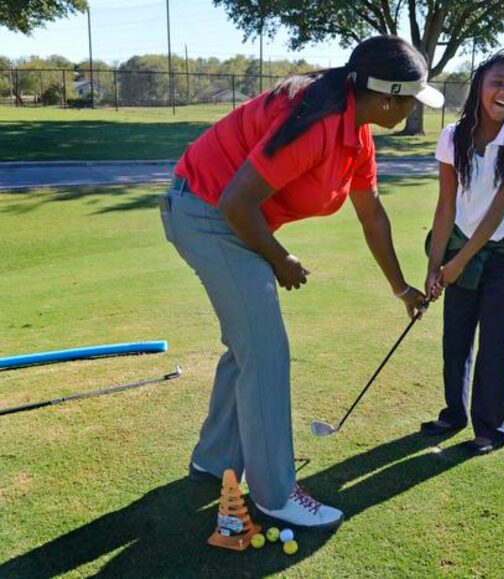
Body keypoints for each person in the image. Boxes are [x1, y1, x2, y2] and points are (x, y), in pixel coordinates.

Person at [158, 35, 444, 531]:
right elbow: (235, 203)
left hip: (231, 215)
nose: (413, 107)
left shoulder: (356, 132)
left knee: (248, 346)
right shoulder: (317, 124)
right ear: (384, 97)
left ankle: (214, 460)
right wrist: (280, 259)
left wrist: (401, 288)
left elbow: (372, 214)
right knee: (265, 350)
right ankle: (275, 494)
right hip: (206, 212)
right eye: (411, 99)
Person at [420, 48, 504, 455]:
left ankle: (490, 428)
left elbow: (494, 214)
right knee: (456, 333)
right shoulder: (453, 136)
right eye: (497, 82)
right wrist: (435, 267)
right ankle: (453, 414)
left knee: (496, 337)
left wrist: (457, 263)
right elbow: (445, 207)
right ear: (479, 86)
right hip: (462, 238)